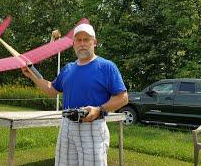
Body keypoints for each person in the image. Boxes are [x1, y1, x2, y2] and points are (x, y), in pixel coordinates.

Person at [22, 23, 128, 166]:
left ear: (94, 43)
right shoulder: (68, 68)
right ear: (73, 44)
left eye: (86, 39)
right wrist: (32, 75)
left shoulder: (107, 67)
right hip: (67, 125)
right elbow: (52, 89)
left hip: (92, 126)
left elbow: (123, 98)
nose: (82, 43)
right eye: (78, 40)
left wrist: (99, 110)